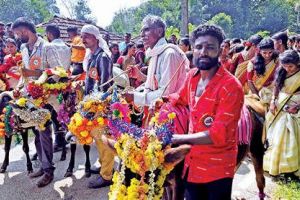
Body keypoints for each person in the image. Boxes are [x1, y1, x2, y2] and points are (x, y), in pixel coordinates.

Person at [169, 24, 244, 200]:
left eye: (210, 47)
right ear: (193, 49)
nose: (203, 52)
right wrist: (147, 101)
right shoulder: (192, 76)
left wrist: (177, 138)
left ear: (221, 50)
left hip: (218, 169)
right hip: (192, 164)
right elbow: (178, 99)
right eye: (199, 47)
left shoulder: (231, 87)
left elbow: (218, 134)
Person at [12, 17, 62, 187]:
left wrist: (35, 77)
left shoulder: (47, 47)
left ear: (26, 30)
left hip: (46, 96)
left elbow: (57, 72)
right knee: (37, 133)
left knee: (44, 132)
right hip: (30, 97)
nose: (18, 37)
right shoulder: (24, 49)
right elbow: (24, 74)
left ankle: (49, 171)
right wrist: (19, 86)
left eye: (18, 33)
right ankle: (43, 165)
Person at [123, 15, 188, 107]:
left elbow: (165, 94)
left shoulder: (169, 54)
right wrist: (140, 77)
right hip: (154, 111)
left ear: (159, 31)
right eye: (141, 31)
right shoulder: (155, 53)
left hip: (169, 115)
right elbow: (156, 85)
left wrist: (135, 97)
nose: (142, 34)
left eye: (146, 30)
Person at [81, 24, 114, 188]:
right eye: (82, 36)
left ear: (96, 38)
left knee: (103, 139)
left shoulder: (102, 57)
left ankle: (107, 175)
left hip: (101, 106)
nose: (83, 39)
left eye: (86, 36)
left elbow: (106, 86)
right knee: (97, 138)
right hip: (92, 104)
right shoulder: (92, 56)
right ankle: (103, 165)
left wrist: (97, 106)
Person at [264, 50, 300, 180]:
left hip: (295, 106)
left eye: (290, 66)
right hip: (280, 104)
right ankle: (276, 167)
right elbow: (276, 87)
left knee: (290, 137)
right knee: (275, 136)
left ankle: (291, 169)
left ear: (298, 63)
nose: (287, 69)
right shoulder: (282, 71)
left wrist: (296, 107)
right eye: (285, 66)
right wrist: (273, 101)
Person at [45, 25, 71, 152]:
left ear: (49, 34)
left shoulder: (49, 46)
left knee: (54, 113)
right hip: (65, 82)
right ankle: (63, 138)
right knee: (62, 111)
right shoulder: (67, 47)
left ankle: (58, 141)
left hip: (53, 82)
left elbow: (53, 67)